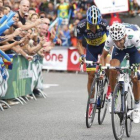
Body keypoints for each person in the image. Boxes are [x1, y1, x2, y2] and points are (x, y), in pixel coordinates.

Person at [100, 23, 140, 123]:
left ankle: (137, 107)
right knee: (112, 69)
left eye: (120, 40)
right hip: (119, 51)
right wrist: (102, 70)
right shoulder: (110, 38)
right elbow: (103, 56)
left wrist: (138, 70)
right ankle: (113, 96)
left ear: (124, 36)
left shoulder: (133, 36)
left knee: (135, 78)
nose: (117, 43)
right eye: (115, 41)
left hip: (134, 49)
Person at [76, 5, 109, 113]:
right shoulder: (81, 26)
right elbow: (79, 44)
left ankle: (109, 90)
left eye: (95, 25)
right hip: (91, 48)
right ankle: (91, 103)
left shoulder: (104, 24)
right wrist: (82, 56)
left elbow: (110, 42)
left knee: (107, 68)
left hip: (104, 46)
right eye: (91, 25)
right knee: (90, 76)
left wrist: (104, 59)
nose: (93, 28)